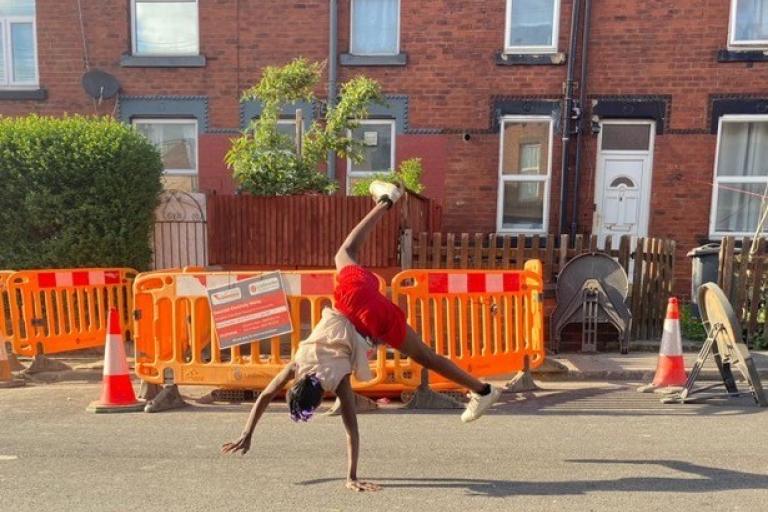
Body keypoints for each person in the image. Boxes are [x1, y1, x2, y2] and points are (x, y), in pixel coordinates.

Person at [221, 181, 502, 492]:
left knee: (426, 357)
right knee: (345, 252)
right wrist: (247, 430)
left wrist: (351, 477)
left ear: (319, 396)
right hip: (355, 299)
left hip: (372, 323)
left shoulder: (337, 380)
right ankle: (385, 201)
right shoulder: (298, 364)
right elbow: (264, 396)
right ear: (297, 385)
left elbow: (351, 428)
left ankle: (484, 390)